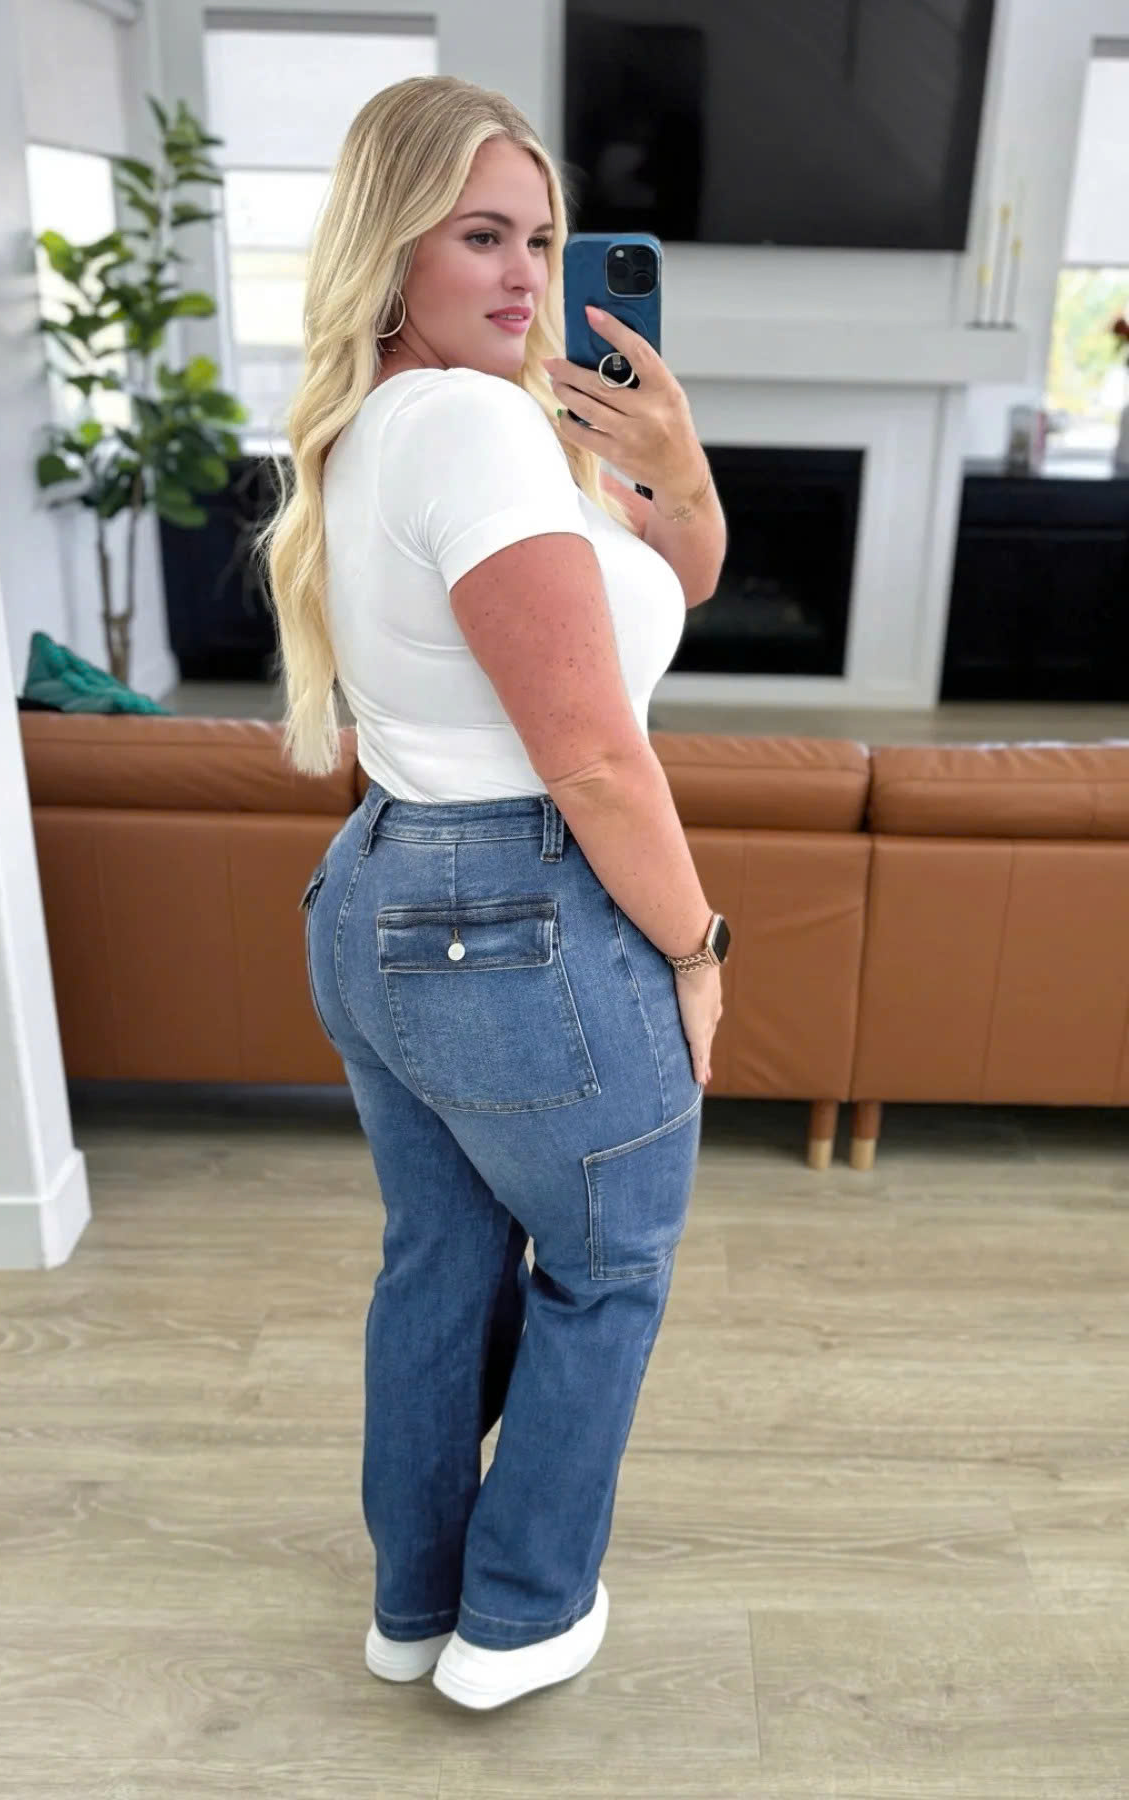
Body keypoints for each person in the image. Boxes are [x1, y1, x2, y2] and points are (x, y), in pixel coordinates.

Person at [258, 74, 729, 1712]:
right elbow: (593, 758)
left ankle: (416, 1604)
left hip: (388, 894)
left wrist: (671, 457)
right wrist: (697, 944)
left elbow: (675, 581)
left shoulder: (411, 419)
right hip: (521, 913)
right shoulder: (471, 427)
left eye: (539, 236)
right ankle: (520, 1618)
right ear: (392, 246)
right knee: (607, 1269)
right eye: (481, 236)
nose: (528, 273)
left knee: (443, 1262)